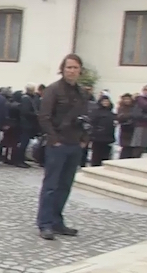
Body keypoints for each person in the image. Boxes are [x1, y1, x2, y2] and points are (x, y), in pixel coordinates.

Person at [36, 54, 89, 241]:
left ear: (80, 70)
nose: (72, 71)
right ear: (63, 69)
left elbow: (87, 117)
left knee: (65, 185)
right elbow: (44, 116)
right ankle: (45, 223)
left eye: (75, 68)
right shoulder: (53, 90)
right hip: (58, 144)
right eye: (69, 67)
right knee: (51, 185)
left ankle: (57, 221)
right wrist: (54, 139)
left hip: (74, 144)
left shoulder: (82, 93)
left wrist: (84, 139)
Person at [88, 95, 116, 167]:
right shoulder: (96, 111)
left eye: (107, 101)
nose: (106, 103)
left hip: (108, 137)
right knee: (96, 154)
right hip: (98, 137)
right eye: (104, 101)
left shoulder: (111, 112)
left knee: (106, 154)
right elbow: (92, 123)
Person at [116, 94, 137, 159]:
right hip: (125, 129)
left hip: (133, 129)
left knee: (133, 149)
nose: (127, 101)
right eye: (125, 99)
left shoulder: (135, 107)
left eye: (128, 99)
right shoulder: (121, 108)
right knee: (125, 148)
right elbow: (120, 117)